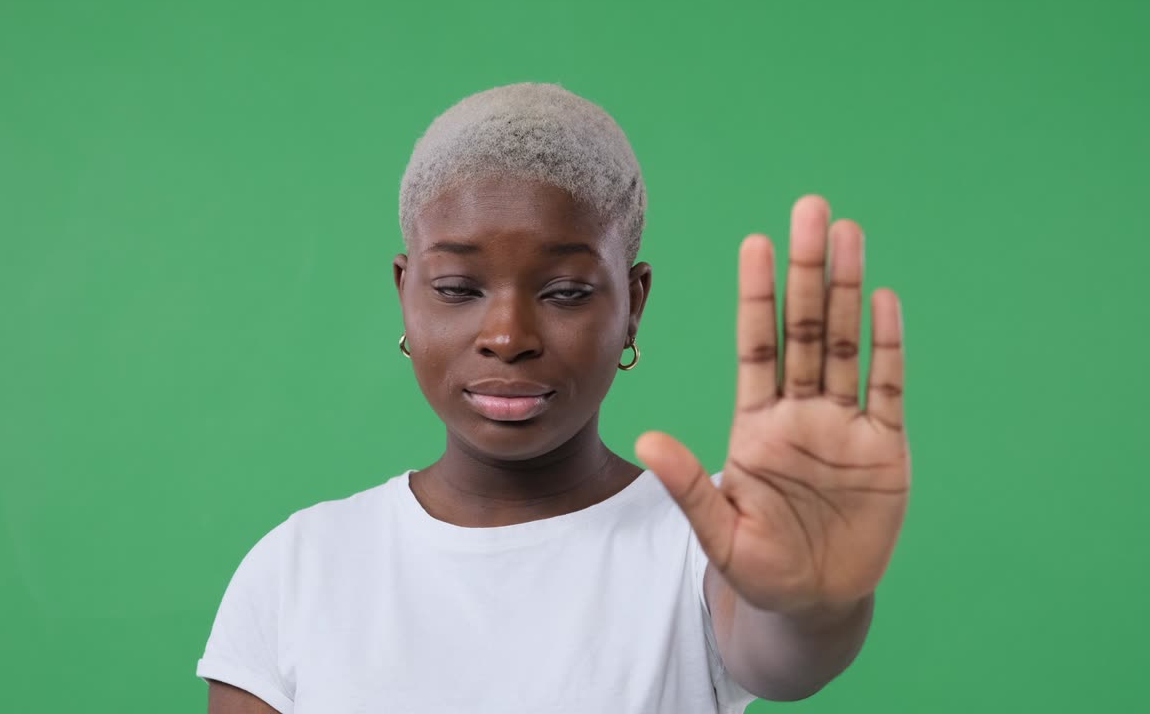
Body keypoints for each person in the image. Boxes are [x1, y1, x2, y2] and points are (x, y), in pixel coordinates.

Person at [195, 82, 911, 714]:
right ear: (404, 294)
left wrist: (811, 606)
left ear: (632, 305)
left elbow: (782, 653)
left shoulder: (709, 538)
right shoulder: (299, 569)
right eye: (457, 289)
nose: (507, 337)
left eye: (565, 292)